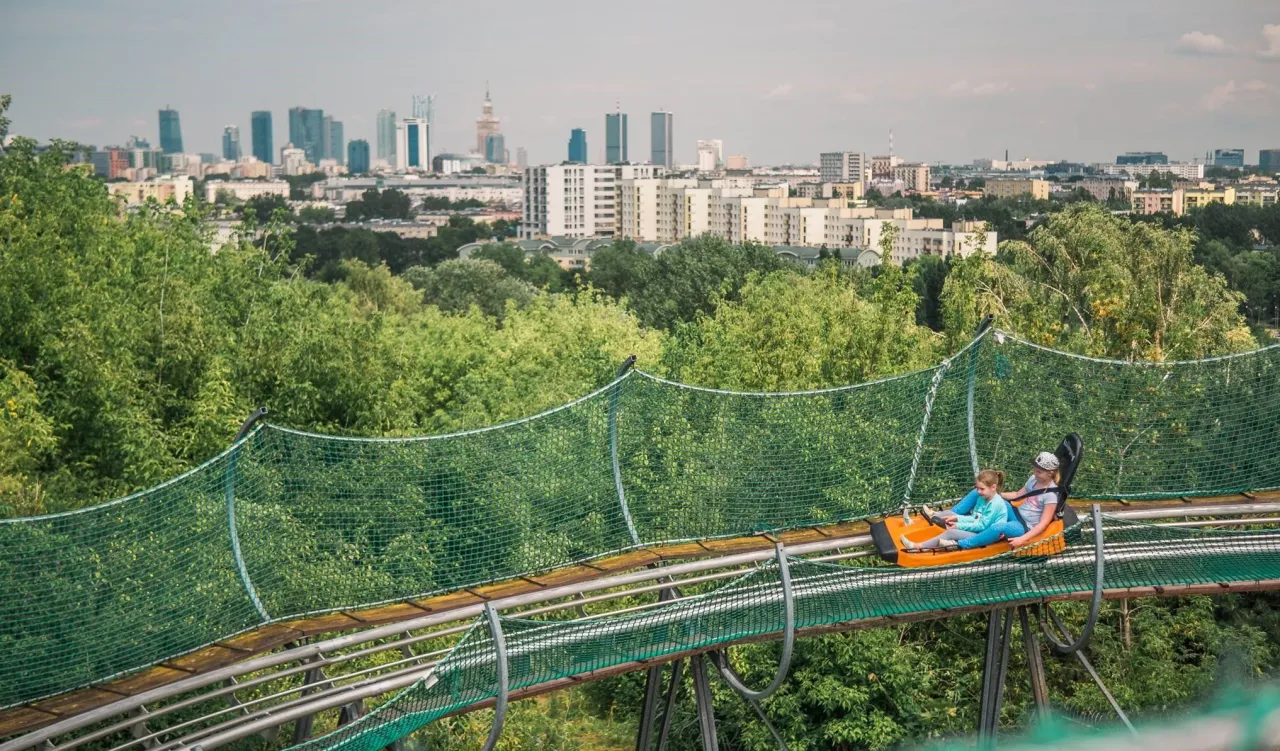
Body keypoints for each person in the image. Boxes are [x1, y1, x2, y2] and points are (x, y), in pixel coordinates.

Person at [903, 470, 1010, 552]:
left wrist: (959, 525)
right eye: (977, 488)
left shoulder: (996, 504)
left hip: (985, 535)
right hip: (978, 528)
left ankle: (918, 547)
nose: (978, 491)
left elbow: (982, 526)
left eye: (982, 489)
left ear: (993, 487)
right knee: (951, 514)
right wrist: (957, 518)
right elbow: (974, 518)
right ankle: (915, 524)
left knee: (951, 532)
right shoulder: (982, 498)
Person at [1003, 451, 1061, 548]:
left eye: (1039, 472)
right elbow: (1017, 495)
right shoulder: (1033, 479)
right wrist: (997, 494)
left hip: (1026, 525)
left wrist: (1022, 539)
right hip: (1018, 514)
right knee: (996, 501)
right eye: (1035, 470)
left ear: (1050, 473)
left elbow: (1043, 523)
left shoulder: (1051, 495)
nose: (1035, 473)